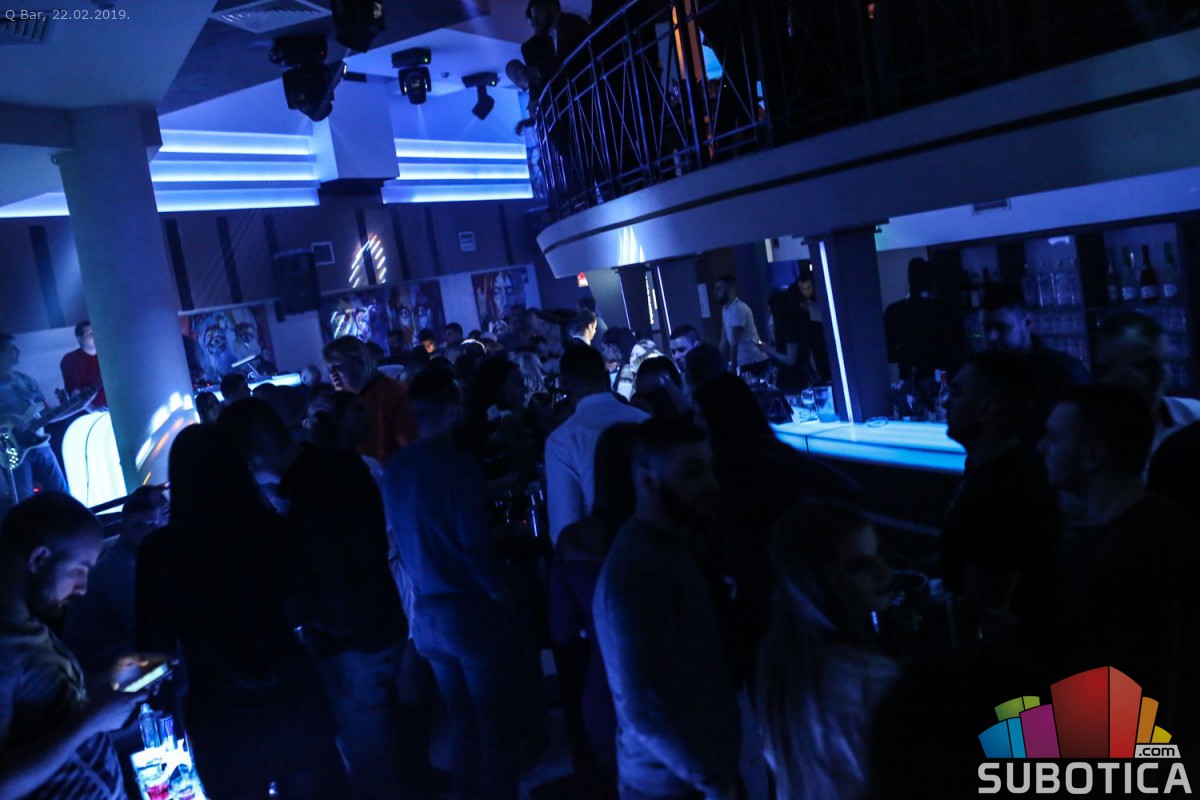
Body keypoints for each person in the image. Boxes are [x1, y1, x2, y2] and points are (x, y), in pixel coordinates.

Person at [136, 425, 347, 799]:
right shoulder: (273, 530)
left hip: (219, 710)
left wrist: (136, 696)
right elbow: (310, 604)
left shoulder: (160, 552)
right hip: (291, 691)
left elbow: (152, 644)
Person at [218, 399, 410, 800]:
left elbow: (328, 577)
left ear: (250, 458)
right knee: (389, 749)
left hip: (349, 644)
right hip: (382, 623)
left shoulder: (304, 494)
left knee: (370, 763)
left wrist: (311, 623)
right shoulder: (342, 464)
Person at [382, 367, 522, 800]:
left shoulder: (396, 468)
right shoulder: (458, 465)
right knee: (496, 730)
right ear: (451, 407)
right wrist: (505, 596)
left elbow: (402, 538)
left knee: (463, 724)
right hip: (469, 612)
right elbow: (473, 547)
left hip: (426, 613)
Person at [1038, 384, 1200, 735]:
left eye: (1054, 438)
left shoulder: (1133, 550)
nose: (1041, 447)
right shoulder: (1155, 523)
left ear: (1093, 456)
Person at [593, 419, 741, 800]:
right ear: (647, 479)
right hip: (671, 786)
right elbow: (646, 703)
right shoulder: (641, 567)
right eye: (693, 472)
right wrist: (715, 781)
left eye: (709, 468)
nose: (712, 484)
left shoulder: (666, 548)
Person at [0, 492, 143, 799]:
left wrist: (113, 679)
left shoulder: (31, 624)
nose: (83, 588)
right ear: (39, 559)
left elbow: (49, 710)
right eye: (81, 569)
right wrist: (91, 721)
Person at [757, 501, 896, 800]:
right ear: (816, 583)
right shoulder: (869, 679)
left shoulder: (776, 660)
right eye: (857, 566)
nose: (884, 572)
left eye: (878, 555)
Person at [941, 352, 1061, 641]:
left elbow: (985, 610)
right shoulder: (993, 467)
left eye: (956, 392)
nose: (945, 401)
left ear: (986, 409)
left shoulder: (1002, 491)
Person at [549, 423, 640, 790]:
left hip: (603, 689)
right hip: (674, 688)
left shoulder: (574, 541)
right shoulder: (667, 536)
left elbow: (561, 630)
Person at [545, 346, 649, 544]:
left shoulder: (562, 440)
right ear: (606, 377)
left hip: (606, 552)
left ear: (564, 384)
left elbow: (564, 529)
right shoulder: (645, 420)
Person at [63, 486, 169, 676]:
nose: (148, 531)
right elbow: (147, 627)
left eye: (153, 525)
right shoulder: (119, 569)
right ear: (124, 527)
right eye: (140, 526)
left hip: (115, 649)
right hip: (95, 660)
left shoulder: (142, 557)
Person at [980, 285, 1089, 442]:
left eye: (1001, 327)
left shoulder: (1062, 372)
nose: (991, 337)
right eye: (986, 328)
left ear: (1028, 322)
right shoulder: (982, 373)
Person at [1095, 310, 1200, 452]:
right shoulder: (1083, 431)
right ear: (1105, 371)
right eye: (1144, 365)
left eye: (1165, 361)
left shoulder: (1194, 416)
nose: (1161, 374)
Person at [0, 333, 70, 518]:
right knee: (24, 502)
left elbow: (46, 412)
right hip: (11, 448)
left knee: (61, 493)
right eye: (11, 349)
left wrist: (75, 404)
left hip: (40, 443)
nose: (18, 351)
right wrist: (10, 417)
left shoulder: (26, 380)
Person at [883, 258, 965, 413]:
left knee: (912, 417)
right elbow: (954, 349)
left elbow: (890, 354)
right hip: (938, 377)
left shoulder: (894, 311)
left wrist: (906, 356)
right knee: (941, 414)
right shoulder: (942, 309)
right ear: (932, 281)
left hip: (908, 377)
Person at [324, 335, 418, 464]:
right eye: (329, 369)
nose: (332, 374)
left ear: (357, 362)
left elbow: (411, 449)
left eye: (337, 366)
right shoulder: (340, 404)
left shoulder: (393, 393)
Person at [714, 275, 769, 377]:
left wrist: (733, 368)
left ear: (730, 290)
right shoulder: (726, 309)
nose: (716, 292)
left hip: (754, 362)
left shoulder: (738, 309)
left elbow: (734, 343)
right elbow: (723, 340)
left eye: (719, 289)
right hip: (744, 363)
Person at [60, 320, 107, 408]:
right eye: (90, 334)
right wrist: (92, 409)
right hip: (92, 412)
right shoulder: (70, 359)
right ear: (80, 339)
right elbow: (75, 393)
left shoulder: (107, 355)